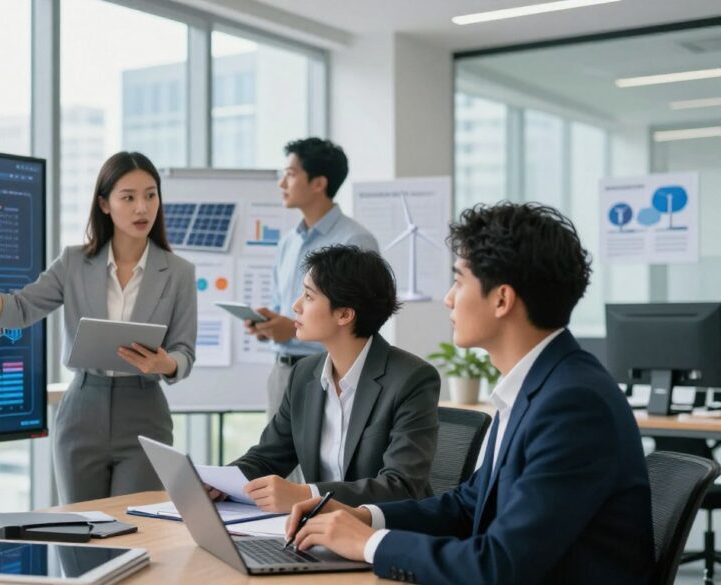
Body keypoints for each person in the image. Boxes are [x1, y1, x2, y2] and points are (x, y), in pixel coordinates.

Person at [285, 203, 654, 584]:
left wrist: (369, 543)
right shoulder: (539, 385)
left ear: (502, 299)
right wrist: (364, 517)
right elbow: (469, 506)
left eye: (459, 281)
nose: (448, 298)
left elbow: (499, 566)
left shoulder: (573, 404)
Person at [0, 152, 197, 504]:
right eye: (128, 197)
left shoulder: (179, 272)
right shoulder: (74, 262)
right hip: (82, 410)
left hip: (145, 413)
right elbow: (19, 309)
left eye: (150, 195)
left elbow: (184, 351)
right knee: (81, 528)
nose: (142, 207)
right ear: (105, 204)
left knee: (137, 527)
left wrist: (165, 363)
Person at [217, 245, 439, 512]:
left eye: (308, 296)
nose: (296, 306)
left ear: (344, 314)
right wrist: (218, 483)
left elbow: (400, 486)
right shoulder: (304, 374)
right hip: (319, 528)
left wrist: (306, 494)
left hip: (385, 529)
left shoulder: (411, 379)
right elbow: (267, 458)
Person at [248, 138, 379, 420]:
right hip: (282, 374)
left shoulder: (355, 241)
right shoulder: (288, 243)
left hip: (329, 374)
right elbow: (281, 307)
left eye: (290, 174)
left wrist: (291, 330)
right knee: (276, 450)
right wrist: (268, 326)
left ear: (318, 183)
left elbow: (360, 326)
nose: (282, 183)